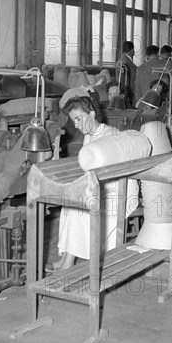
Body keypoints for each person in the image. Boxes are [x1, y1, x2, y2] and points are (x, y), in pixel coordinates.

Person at [52, 95, 139, 270]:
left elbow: (116, 175)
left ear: (91, 114)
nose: (76, 125)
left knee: (80, 210)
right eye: (73, 121)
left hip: (121, 192)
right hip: (104, 187)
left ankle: (68, 263)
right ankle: (66, 259)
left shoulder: (111, 135)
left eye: (79, 119)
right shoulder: (90, 135)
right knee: (69, 206)